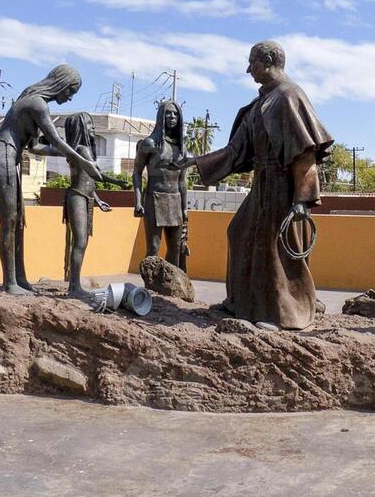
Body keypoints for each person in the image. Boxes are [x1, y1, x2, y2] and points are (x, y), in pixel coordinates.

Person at [189, 41, 333, 330]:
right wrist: (194, 162)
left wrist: (302, 200)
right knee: (239, 232)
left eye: (252, 62)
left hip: (282, 185)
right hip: (261, 185)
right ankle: (241, 303)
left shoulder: (290, 96)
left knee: (276, 247)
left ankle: (283, 314)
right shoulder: (260, 104)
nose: (248, 69)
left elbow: (306, 154)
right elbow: (236, 151)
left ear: (267, 61)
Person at [0, 65, 103, 295]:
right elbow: (56, 140)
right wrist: (84, 162)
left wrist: (70, 156)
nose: (69, 98)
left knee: (18, 222)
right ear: (60, 83)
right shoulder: (37, 103)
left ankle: (19, 278)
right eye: (70, 91)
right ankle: (9, 282)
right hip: (2, 156)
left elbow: (36, 147)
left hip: (11, 157)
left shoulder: (35, 101)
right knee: (9, 222)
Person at [61, 113, 114, 298]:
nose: (93, 127)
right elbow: (95, 174)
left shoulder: (85, 150)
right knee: (80, 241)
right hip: (77, 196)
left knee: (81, 242)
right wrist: (118, 183)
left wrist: (98, 201)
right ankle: (74, 286)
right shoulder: (82, 149)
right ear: (80, 127)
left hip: (86, 197)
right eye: (89, 124)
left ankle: (74, 284)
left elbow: (89, 182)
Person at [132, 100, 189, 270]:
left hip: (176, 200)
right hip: (154, 198)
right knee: (153, 249)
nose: (172, 116)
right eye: (168, 113)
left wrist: (185, 207)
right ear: (161, 116)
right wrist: (138, 201)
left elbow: (182, 181)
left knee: (176, 248)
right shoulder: (150, 143)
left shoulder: (182, 147)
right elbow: (136, 172)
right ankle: (150, 290)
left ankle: (172, 290)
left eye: (176, 113)